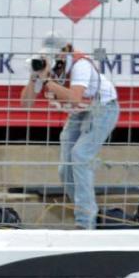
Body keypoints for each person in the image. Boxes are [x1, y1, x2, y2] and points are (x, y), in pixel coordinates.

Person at [20, 32, 119, 230]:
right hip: (80, 112)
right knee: (65, 169)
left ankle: (85, 222)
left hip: (102, 107)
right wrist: (34, 78)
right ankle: (89, 213)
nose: (52, 58)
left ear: (66, 50)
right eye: (48, 55)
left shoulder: (80, 64)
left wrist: (47, 82)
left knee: (80, 155)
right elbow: (26, 103)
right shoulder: (47, 67)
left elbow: (75, 98)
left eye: (55, 54)